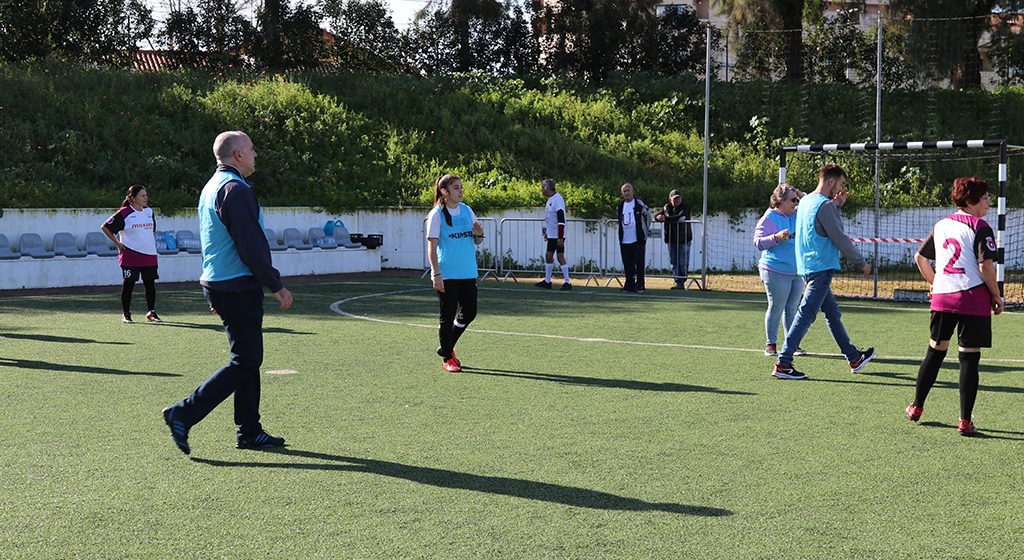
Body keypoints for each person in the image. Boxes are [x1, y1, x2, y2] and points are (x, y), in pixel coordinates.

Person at [161, 131, 293, 455]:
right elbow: (250, 246)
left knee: (247, 357)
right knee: (247, 359)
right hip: (236, 285)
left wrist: (216, 287)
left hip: (222, 283)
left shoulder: (212, 187)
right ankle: (184, 412)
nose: (255, 154)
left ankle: (249, 431)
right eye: (251, 149)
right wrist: (275, 284)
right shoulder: (235, 190)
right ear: (238, 155)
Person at [905, 177, 1003, 436]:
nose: (988, 203)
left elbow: (920, 257)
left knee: (935, 352)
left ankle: (916, 407)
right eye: (985, 198)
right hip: (972, 299)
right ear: (971, 201)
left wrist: (935, 283)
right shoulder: (980, 226)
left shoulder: (941, 224)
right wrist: (997, 295)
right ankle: (965, 421)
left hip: (943, 299)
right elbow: (986, 266)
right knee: (969, 358)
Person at [771, 164, 875, 380]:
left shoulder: (807, 201)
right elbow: (839, 238)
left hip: (807, 267)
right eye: (841, 183)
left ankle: (854, 357)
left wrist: (837, 205)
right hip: (821, 268)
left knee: (832, 313)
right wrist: (861, 262)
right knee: (806, 313)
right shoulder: (825, 205)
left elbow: (818, 223)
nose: (841, 188)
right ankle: (783, 363)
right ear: (831, 181)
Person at [427, 174, 485, 373]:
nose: (460, 191)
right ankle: (448, 358)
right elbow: (431, 247)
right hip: (448, 274)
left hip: (468, 271)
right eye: (456, 188)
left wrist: (479, 233)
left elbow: (477, 240)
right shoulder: (436, 214)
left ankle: (446, 346)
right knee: (447, 315)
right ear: (444, 191)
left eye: (461, 187)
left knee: (470, 312)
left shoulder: (467, 210)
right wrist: (436, 274)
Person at [752, 184, 807, 357]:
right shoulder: (769, 217)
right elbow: (758, 242)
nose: (796, 203)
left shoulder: (797, 214)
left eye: (797, 200)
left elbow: (810, 204)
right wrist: (775, 238)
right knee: (776, 307)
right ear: (781, 201)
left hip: (796, 272)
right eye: (793, 200)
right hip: (775, 270)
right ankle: (771, 344)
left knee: (792, 309)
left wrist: (800, 194)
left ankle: (792, 344)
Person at [101, 184, 160, 323]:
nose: (146, 198)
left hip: (150, 255)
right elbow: (105, 227)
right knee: (129, 285)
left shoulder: (149, 212)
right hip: (130, 255)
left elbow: (150, 232)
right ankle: (126, 314)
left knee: (150, 284)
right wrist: (117, 243)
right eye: (142, 195)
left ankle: (151, 312)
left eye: (146, 195)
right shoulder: (124, 213)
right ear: (133, 198)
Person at [534, 178, 572, 291]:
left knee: (560, 256)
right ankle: (547, 281)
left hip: (557, 235)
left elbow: (561, 219)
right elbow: (549, 219)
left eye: (543, 187)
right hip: (552, 235)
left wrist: (560, 237)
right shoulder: (550, 199)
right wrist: (547, 233)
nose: (541, 189)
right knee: (548, 256)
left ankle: (567, 282)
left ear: (548, 187)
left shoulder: (558, 199)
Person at [616, 183, 652, 293]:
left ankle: (640, 284)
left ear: (633, 191)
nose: (626, 193)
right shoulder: (620, 206)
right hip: (625, 239)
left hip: (638, 239)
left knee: (639, 263)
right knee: (627, 263)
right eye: (624, 191)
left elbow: (648, 217)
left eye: (628, 190)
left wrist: (644, 231)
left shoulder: (639, 204)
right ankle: (629, 283)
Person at [654, 189, 693, 289]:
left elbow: (680, 217)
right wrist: (658, 217)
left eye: (678, 198)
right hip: (671, 239)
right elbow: (657, 216)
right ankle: (679, 282)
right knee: (673, 261)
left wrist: (666, 219)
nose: (677, 200)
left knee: (683, 262)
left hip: (684, 239)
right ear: (670, 200)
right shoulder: (666, 207)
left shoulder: (685, 207)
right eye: (675, 198)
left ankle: (682, 279)